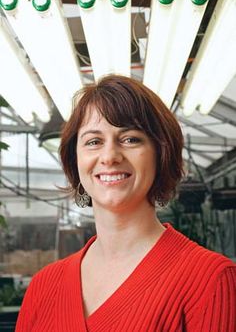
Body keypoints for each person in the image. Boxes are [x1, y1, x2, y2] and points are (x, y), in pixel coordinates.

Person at [16, 75, 236, 332]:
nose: (109, 156)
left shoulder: (210, 281)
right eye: (93, 141)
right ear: (74, 159)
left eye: (130, 139)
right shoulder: (44, 285)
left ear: (161, 153)